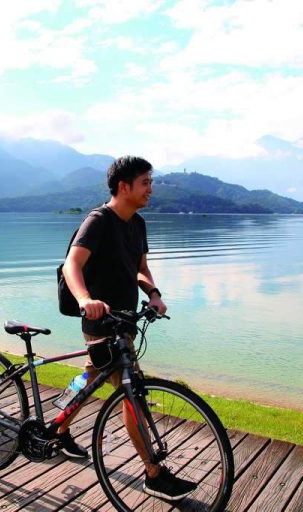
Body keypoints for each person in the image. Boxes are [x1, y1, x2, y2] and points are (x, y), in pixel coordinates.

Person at [60, 156, 198, 500]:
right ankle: (153, 473)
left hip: (126, 319)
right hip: (100, 319)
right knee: (131, 389)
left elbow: (139, 268)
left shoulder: (137, 223)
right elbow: (71, 265)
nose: (151, 189)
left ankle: (58, 430)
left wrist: (152, 292)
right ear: (124, 187)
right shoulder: (98, 221)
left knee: (93, 374)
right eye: (146, 183)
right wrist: (84, 300)